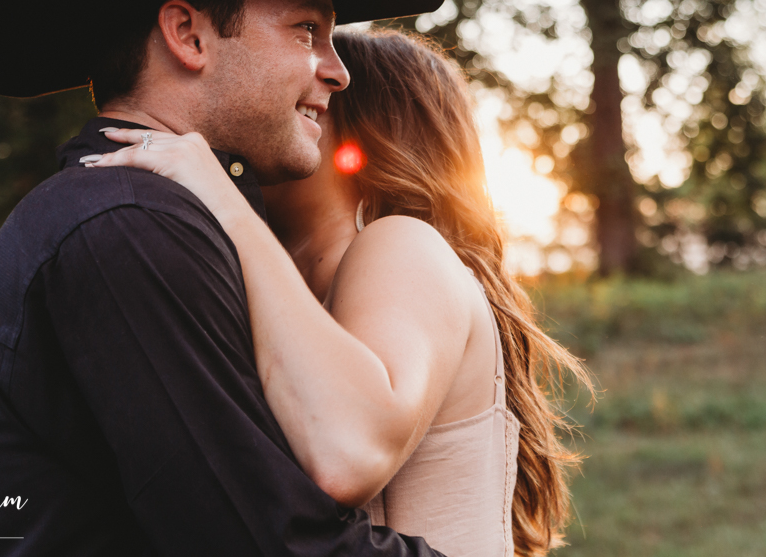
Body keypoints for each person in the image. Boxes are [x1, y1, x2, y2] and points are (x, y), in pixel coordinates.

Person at [0, 0, 450, 556]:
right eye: (308, 30)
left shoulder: (155, 214)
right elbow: (271, 545)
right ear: (188, 35)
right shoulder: (126, 225)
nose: (339, 71)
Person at [84, 29, 591, 557]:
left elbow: (346, 455)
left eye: (311, 101)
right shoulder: (278, 274)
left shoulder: (403, 246)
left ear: (351, 131)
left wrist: (219, 194)